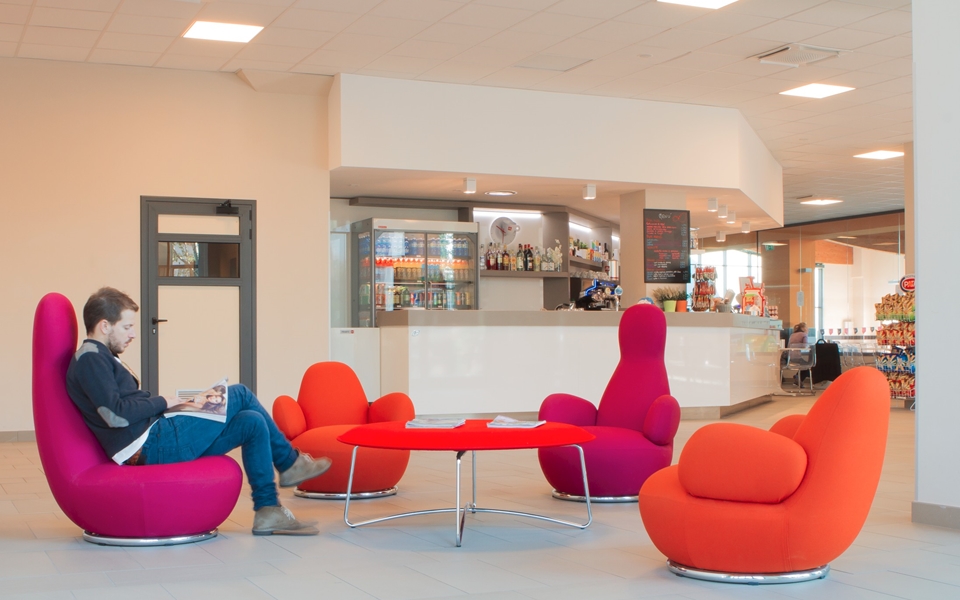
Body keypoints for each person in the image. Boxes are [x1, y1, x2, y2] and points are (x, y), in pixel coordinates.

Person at [66, 287, 331, 536]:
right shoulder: (91, 358)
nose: (133, 334)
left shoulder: (99, 355)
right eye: (127, 327)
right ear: (104, 326)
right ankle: (290, 463)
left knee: (251, 422)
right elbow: (115, 415)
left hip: (157, 436)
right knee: (240, 394)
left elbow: (120, 407)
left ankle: (268, 510)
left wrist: (172, 404)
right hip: (152, 443)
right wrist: (163, 402)